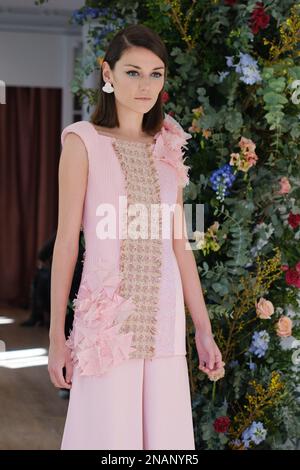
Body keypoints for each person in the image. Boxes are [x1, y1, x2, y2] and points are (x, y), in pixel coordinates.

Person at [48, 24, 223, 450]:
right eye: (133, 72)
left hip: (162, 325)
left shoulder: (167, 143)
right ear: (107, 72)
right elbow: (67, 242)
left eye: (156, 73)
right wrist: (57, 335)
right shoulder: (82, 141)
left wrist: (203, 328)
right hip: (108, 328)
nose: (146, 85)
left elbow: (180, 245)